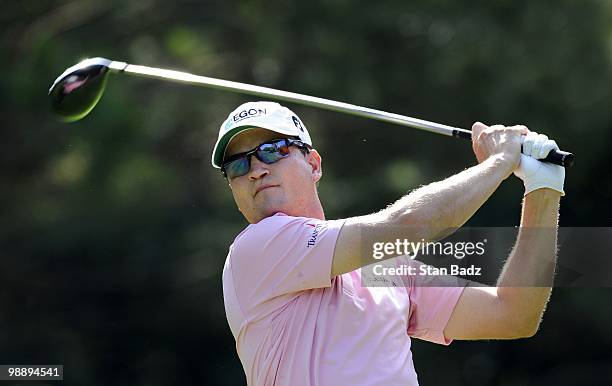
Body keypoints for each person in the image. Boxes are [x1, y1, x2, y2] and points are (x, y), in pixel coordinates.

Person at [211, 101, 565, 386]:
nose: (256, 169)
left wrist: (543, 189)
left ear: (314, 163)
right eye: (238, 165)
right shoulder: (257, 248)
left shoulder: (384, 268)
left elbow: (513, 315)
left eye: (272, 151)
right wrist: (501, 161)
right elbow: (408, 225)